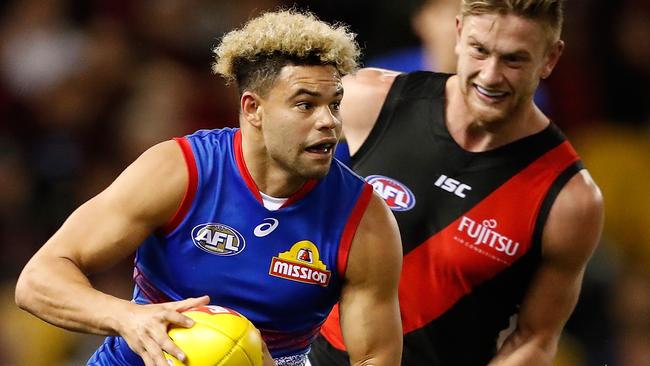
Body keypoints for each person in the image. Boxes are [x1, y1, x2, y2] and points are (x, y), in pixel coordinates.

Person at [14, 10, 403, 366]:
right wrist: (128, 318)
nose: (329, 122)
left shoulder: (363, 217)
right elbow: (38, 281)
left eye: (334, 104)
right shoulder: (181, 170)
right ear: (253, 109)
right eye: (305, 105)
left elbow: (376, 359)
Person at [310, 1, 604, 365]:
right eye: (480, 51)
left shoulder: (570, 198)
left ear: (550, 59)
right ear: (460, 33)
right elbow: (255, 172)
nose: (491, 76)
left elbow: (535, 338)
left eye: (514, 60)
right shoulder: (369, 100)